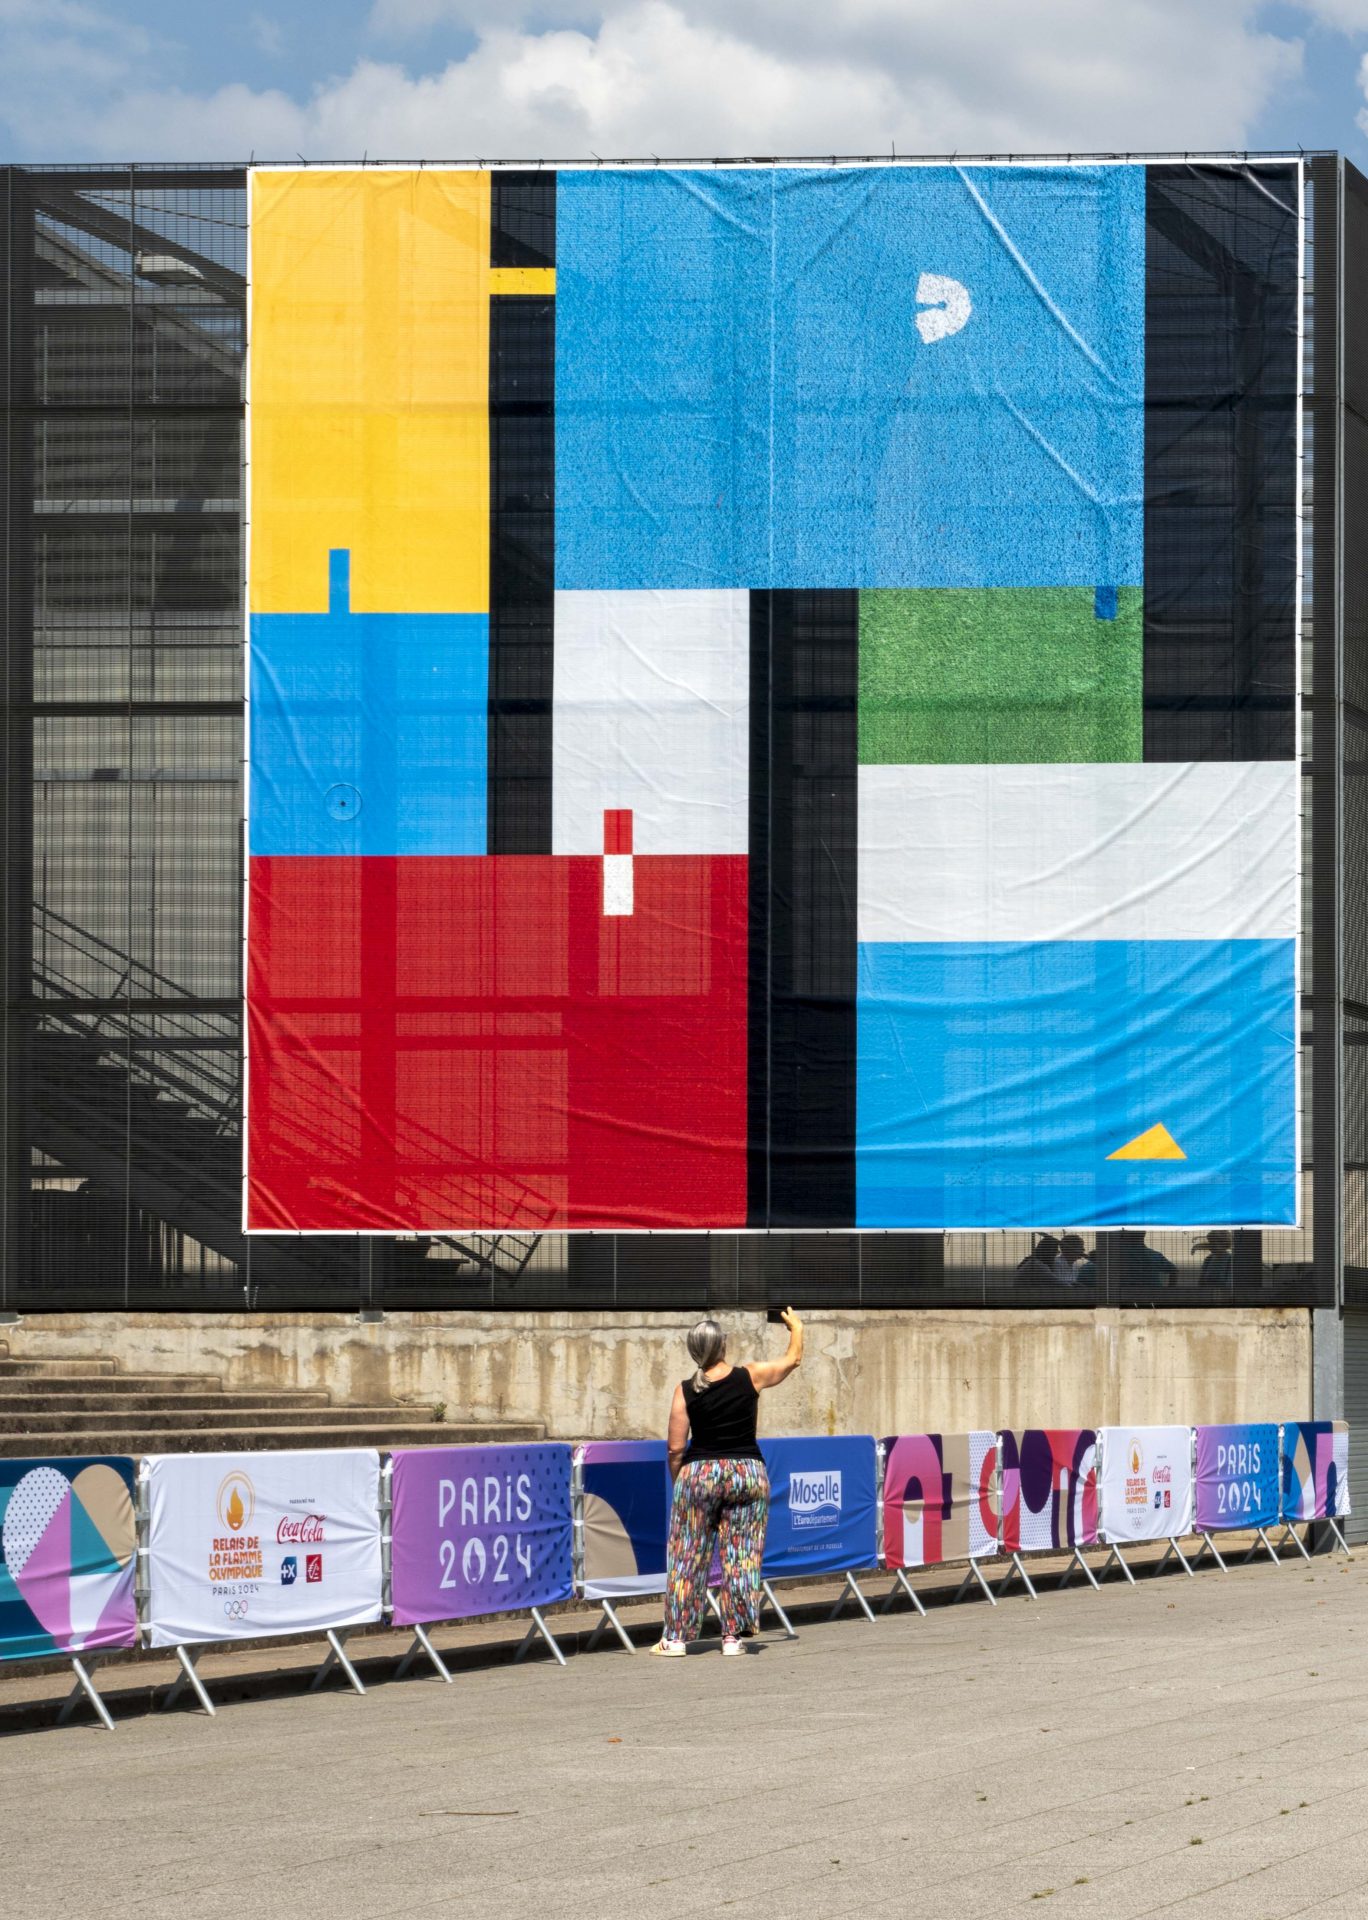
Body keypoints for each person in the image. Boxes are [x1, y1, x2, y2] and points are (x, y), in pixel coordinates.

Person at [652, 1308, 804, 1657]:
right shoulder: (749, 1376)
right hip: (747, 1472)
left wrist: (682, 1483)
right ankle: (733, 1636)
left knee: (688, 1556)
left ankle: (676, 1638)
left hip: (699, 1473)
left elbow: (676, 1448)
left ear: (694, 1352)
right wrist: (795, 1327)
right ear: (722, 1346)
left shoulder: (685, 1390)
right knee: (742, 1557)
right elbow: (792, 1359)